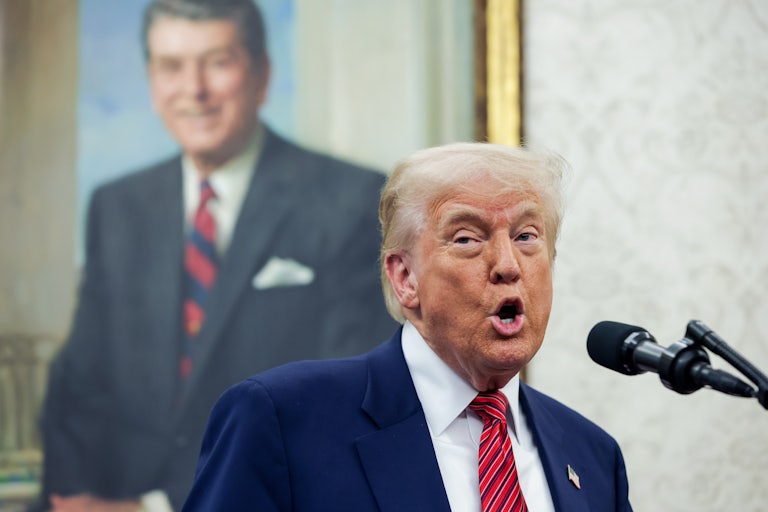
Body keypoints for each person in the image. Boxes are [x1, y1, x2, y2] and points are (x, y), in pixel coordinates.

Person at [33, 0, 397, 511]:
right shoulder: (117, 206)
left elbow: (343, 407)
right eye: (171, 67)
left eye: (218, 62)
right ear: (150, 80)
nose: (194, 90)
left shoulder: (349, 201)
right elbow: (79, 386)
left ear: (261, 74)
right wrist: (72, 499)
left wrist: (158, 506)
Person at [181, 142, 634, 511]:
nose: (507, 265)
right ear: (405, 278)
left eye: (527, 236)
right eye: (467, 238)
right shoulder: (281, 420)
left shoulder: (592, 456)